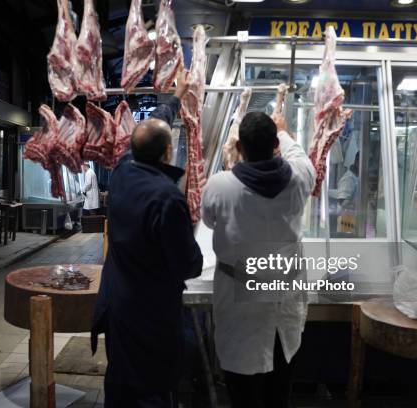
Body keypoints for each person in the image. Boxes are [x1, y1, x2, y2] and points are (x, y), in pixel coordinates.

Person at [91, 70, 203, 408]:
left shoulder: (123, 171)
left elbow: (153, 125)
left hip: (117, 307)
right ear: (169, 153)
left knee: (120, 383)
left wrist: (174, 98)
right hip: (149, 316)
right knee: (150, 390)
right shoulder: (167, 199)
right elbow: (189, 265)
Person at [201, 112, 315, 408]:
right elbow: (298, 154)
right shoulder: (301, 176)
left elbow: (210, 221)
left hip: (240, 303)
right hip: (283, 302)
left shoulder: (220, 185)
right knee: (279, 392)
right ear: (275, 144)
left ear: (239, 148)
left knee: (242, 393)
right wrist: (284, 131)